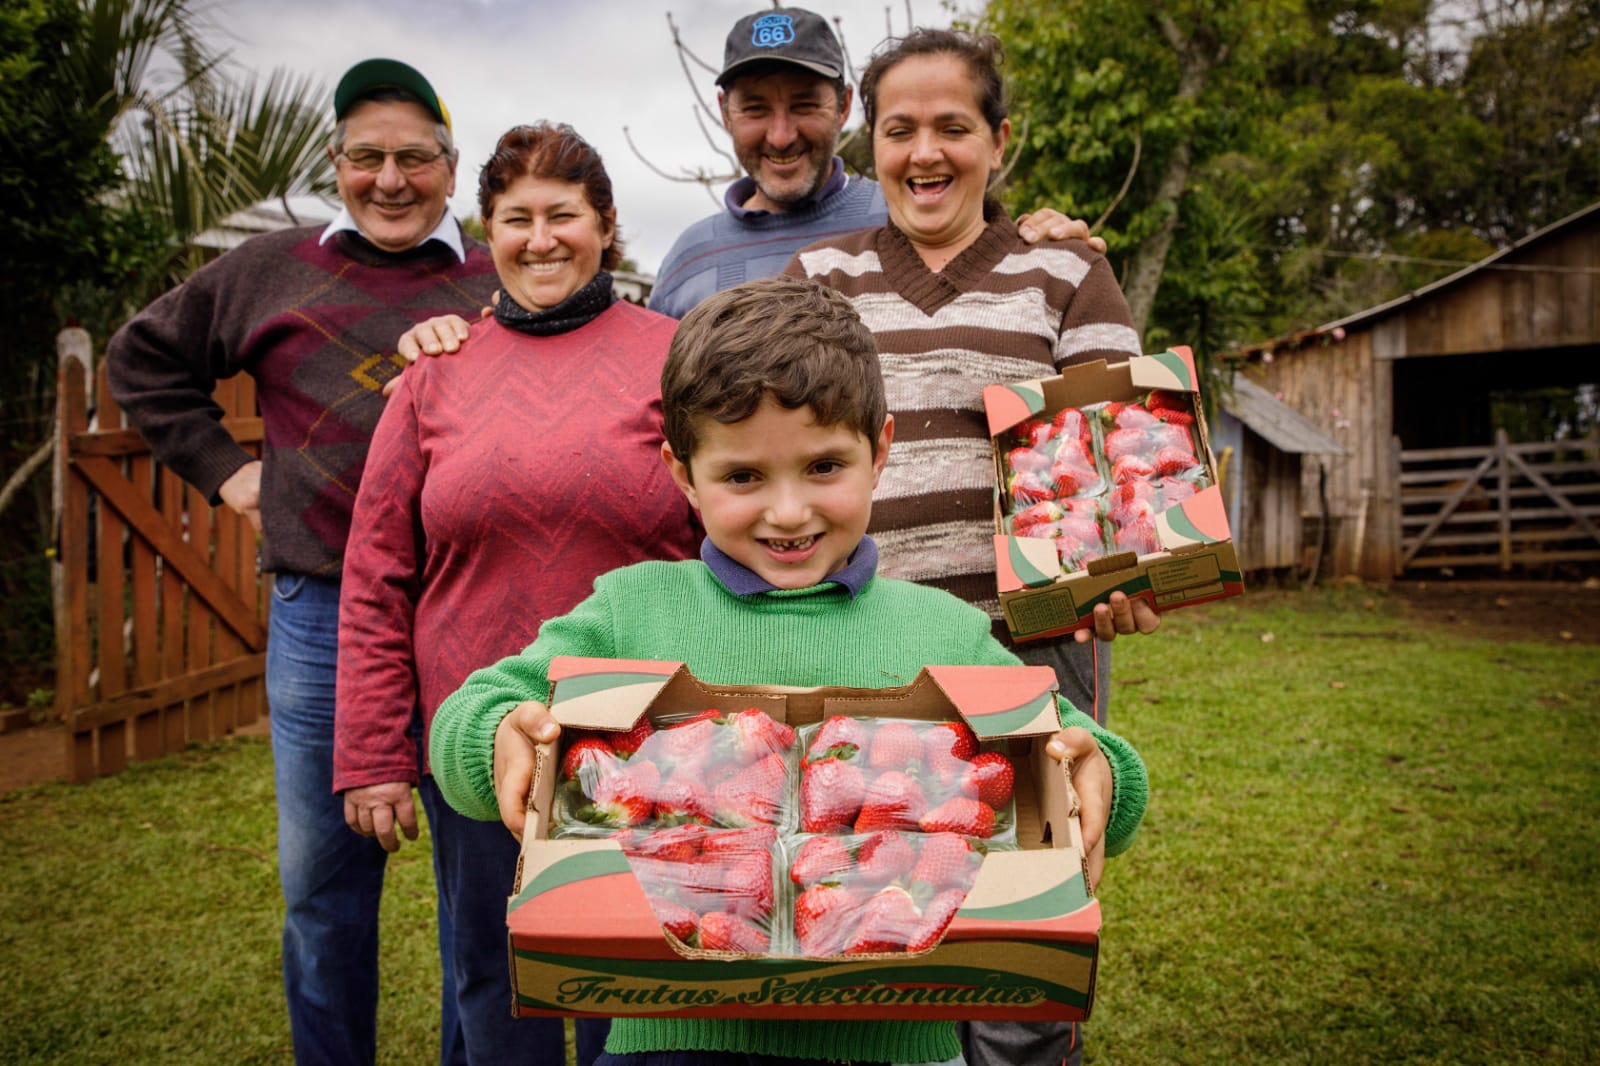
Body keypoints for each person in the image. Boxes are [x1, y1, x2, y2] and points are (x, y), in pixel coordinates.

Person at [426, 275, 1149, 1065]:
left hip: (898, 1042)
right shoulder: (632, 611)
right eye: (743, 477)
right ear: (682, 474)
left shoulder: (943, 629)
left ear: (880, 452)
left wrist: (1101, 772)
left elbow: (1073, 751)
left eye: (824, 467)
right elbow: (485, 704)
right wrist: (495, 735)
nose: (789, 511)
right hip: (671, 1037)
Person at [778, 26, 1162, 1065]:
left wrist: (1122, 571)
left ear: (1000, 139)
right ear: (870, 145)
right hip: (862, 650)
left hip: (1029, 653)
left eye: (953, 126)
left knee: (1015, 943)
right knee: (869, 923)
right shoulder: (819, 275)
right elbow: (781, 444)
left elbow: (1115, 464)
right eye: (899, 129)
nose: (925, 152)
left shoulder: (1064, 269)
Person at [105, 58, 498, 1066]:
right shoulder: (269, 268)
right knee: (322, 888)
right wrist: (231, 477)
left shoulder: (499, 278)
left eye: (416, 157)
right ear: (336, 162)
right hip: (321, 612)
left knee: (481, 885)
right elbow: (141, 358)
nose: (391, 178)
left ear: (452, 169)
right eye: (366, 156)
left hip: (469, 613)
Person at [333, 122, 700, 1066]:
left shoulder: (676, 358)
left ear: (606, 227)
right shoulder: (434, 376)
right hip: (478, 731)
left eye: (564, 216)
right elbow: (378, 572)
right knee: (494, 977)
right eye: (516, 218)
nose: (542, 239)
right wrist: (374, 749)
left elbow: (724, 527)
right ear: (485, 231)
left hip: (650, 729)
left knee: (642, 975)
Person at [394, 7, 1096, 362]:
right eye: (757, 108)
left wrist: (1048, 239)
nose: (782, 134)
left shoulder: (911, 209)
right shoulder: (689, 259)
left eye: (805, 106)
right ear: (725, 112)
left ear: (846, 107)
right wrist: (476, 341)